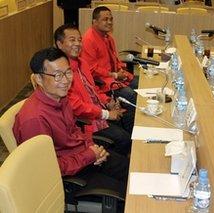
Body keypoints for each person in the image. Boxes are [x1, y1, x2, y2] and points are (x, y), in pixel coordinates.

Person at [13, 48, 128, 191]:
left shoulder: (61, 97)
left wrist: (93, 148)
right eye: (57, 75)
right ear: (38, 79)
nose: (66, 80)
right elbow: (46, 168)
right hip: (67, 175)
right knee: (125, 194)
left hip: (84, 156)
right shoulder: (34, 119)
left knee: (129, 168)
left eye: (68, 72)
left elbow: (75, 131)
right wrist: (89, 156)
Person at [54, 24, 133, 155]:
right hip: (84, 121)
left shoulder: (82, 63)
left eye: (79, 40)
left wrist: (108, 101)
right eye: (72, 40)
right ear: (59, 44)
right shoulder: (61, 71)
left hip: (98, 110)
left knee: (129, 117)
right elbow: (74, 106)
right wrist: (106, 113)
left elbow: (93, 89)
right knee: (124, 138)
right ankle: (110, 162)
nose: (78, 44)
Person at [80, 6, 138, 109]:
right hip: (102, 84)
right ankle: (130, 124)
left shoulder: (108, 37)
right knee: (131, 95)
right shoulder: (89, 40)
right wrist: (115, 75)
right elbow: (91, 70)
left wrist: (120, 69)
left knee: (141, 84)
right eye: (105, 19)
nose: (109, 22)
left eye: (111, 19)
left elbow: (114, 60)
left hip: (116, 78)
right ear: (95, 22)